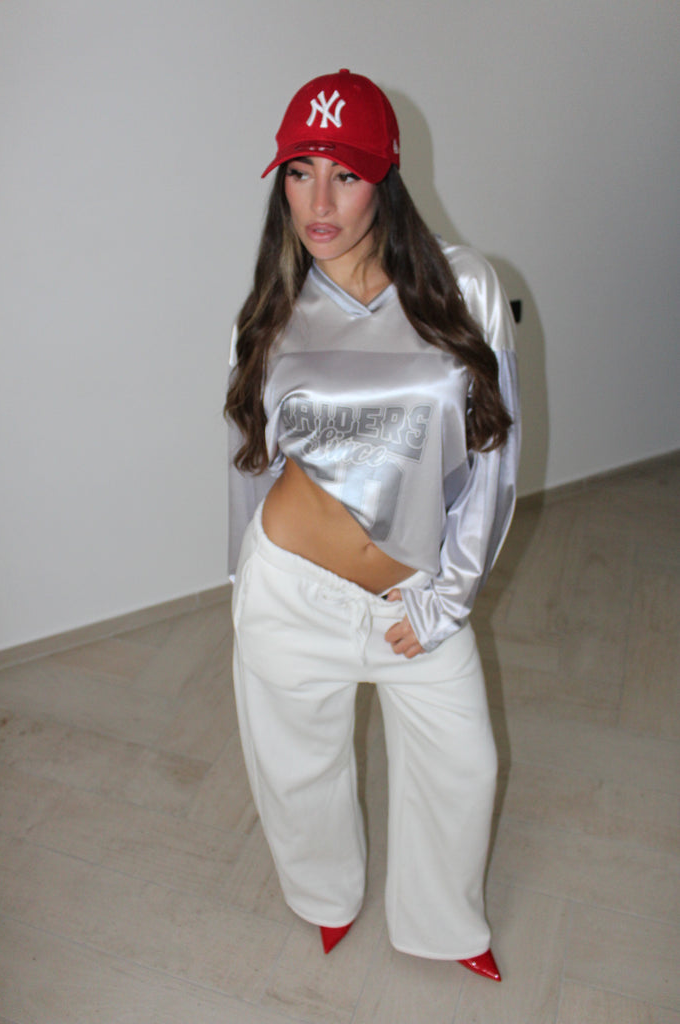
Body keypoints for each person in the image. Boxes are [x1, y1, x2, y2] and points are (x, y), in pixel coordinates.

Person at [225, 69, 520, 981]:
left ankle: (442, 922)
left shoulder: (464, 286)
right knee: (296, 768)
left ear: (383, 177)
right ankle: (324, 897)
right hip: (289, 587)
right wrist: (243, 587)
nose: (319, 202)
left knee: (462, 767)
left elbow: (495, 456)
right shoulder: (270, 307)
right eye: (300, 171)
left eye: (344, 175)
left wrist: (448, 597)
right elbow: (246, 460)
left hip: (413, 596)